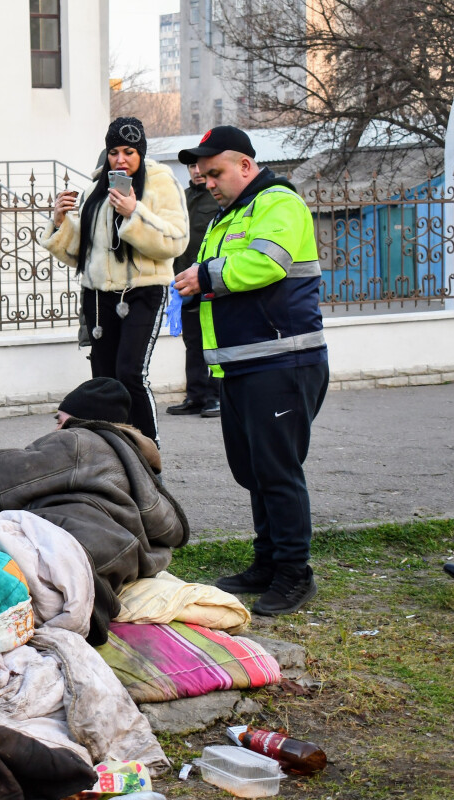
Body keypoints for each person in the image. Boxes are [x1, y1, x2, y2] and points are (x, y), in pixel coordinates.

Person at [174, 126, 329, 616]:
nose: (207, 182)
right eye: (202, 174)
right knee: (254, 472)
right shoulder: (228, 216)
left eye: (214, 172)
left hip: (282, 360)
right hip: (242, 365)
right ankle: (266, 562)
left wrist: (205, 276)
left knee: (278, 472)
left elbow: (268, 264)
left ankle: (294, 574)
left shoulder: (278, 203)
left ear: (245, 165)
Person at [0, 377, 190, 644]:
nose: (56, 426)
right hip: (122, 559)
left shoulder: (78, 441)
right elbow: (170, 529)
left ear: (78, 419)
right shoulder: (133, 457)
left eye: (59, 418)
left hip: (83, 548)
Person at [43, 116, 189, 445]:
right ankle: (110, 455)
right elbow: (84, 252)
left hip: (142, 291)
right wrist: (60, 220)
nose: (120, 159)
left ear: (141, 152)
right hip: (99, 296)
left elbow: (176, 242)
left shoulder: (160, 182)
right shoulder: (97, 187)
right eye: (113, 152)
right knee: (104, 381)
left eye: (128, 151)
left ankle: (149, 454)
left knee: (130, 374)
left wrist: (134, 213)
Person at [166, 162, 222, 418]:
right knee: (192, 342)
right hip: (185, 280)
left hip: (211, 278)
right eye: (191, 166)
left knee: (214, 340)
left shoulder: (219, 196)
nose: (197, 171)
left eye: (201, 166)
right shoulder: (183, 198)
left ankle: (215, 396)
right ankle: (196, 396)